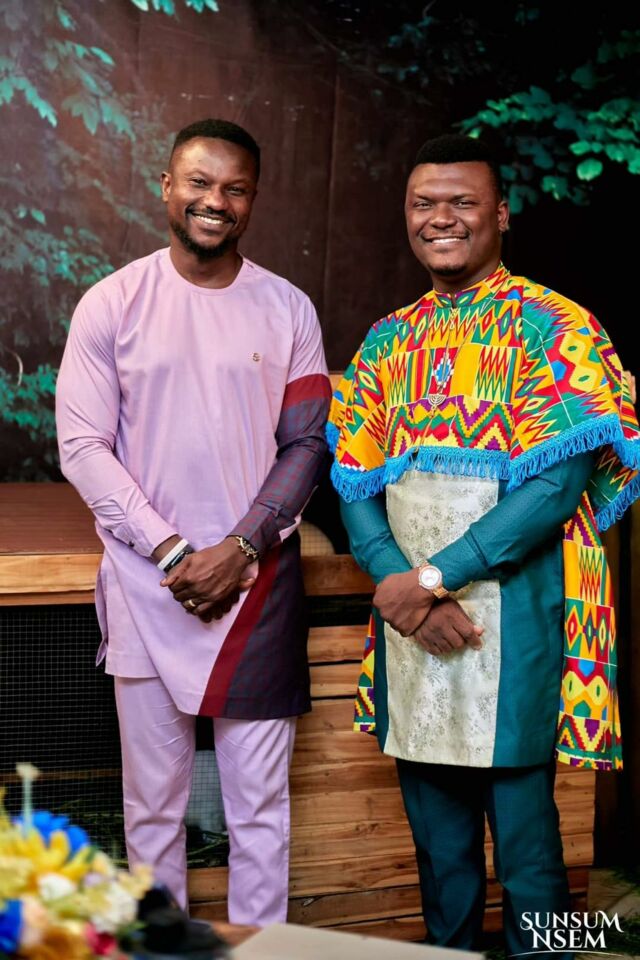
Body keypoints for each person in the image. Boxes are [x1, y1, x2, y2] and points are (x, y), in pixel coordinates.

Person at [328, 134, 640, 955]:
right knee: (442, 857)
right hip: (412, 622)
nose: (442, 218)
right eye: (424, 203)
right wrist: (402, 589)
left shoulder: (554, 326)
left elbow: (555, 489)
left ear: (500, 213)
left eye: (462, 202)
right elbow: (354, 480)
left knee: (531, 858)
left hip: (518, 613)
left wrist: (433, 577)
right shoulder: (386, 340)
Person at [56, 118, 332, 924]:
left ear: (253, 200)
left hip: (257, 585)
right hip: (147, 583)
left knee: (259, 810)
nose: (216, 200)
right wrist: (172, 548)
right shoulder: (113, 302)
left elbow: (307, 444)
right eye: (200, 183)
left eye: (235, 188)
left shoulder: (287, 307)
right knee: (151, 807)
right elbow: (82, 446)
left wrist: (241, 545)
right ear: (167, 188)